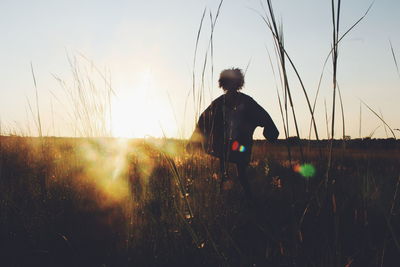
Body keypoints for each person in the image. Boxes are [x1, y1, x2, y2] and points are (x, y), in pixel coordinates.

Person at [188, 68, 279, 200]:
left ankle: (248, 199)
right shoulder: (219, 103)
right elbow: (203, 120)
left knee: (241, 173)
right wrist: (194, 141)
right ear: (224, 84)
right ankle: (225, 199)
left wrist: (271, 132)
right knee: (224, 172)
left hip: (241, 144)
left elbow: (263, 116)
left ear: (238, 83)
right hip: (223, 143)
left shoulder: (247, 102)